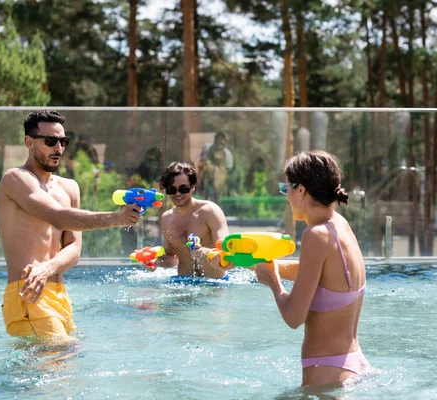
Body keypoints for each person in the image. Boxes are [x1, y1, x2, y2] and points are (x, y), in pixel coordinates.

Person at [0, 109, 141, 339]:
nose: (59, 148)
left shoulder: (69, 188)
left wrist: (47, 269)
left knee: (66, 360)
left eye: (63, 141)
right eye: (51, 141)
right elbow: (57, 216)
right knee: (61, 356)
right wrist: (116, 218)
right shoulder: (15, 179)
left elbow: (73, 249)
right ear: (29, 142)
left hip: (59, 296)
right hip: (28, 293)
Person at [251, 150, 369, 386]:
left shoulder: (315, 235)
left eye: (286, 189)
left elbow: (294, 318)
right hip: (353, 364)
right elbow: (317, 274)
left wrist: (273, 282)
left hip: (326, 375)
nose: (286, 197)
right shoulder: (339, 225)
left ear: (301, 190)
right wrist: (252, 262)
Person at [142, 162, 231, 279]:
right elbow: (172, 258)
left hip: (216, 284)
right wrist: (155, 261)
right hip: (183, 283)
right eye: (171, 190)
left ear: (193, 186)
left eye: (183, 188)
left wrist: (205, 252)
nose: (177, 193)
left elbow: (226, 251)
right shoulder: (166, 218)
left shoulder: (210, 211)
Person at [197, 132, 233, 200]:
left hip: (220, 185)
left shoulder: (228, 155)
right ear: (214, 141)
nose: (219, 146)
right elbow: (200, 165)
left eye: (222, 144)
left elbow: (229, 172)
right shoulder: (207, 148)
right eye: (217, 142)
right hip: (207, 184)